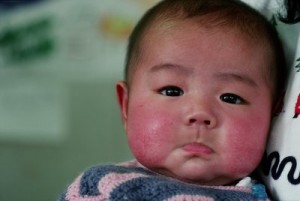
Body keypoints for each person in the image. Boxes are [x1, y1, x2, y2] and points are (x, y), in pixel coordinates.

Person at [59, 0, 286, 200]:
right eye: (171, 91)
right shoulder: (103, 186)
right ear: (125, 107)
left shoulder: (274, 191)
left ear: (273, 113)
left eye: (230, 97)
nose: (200, 113)